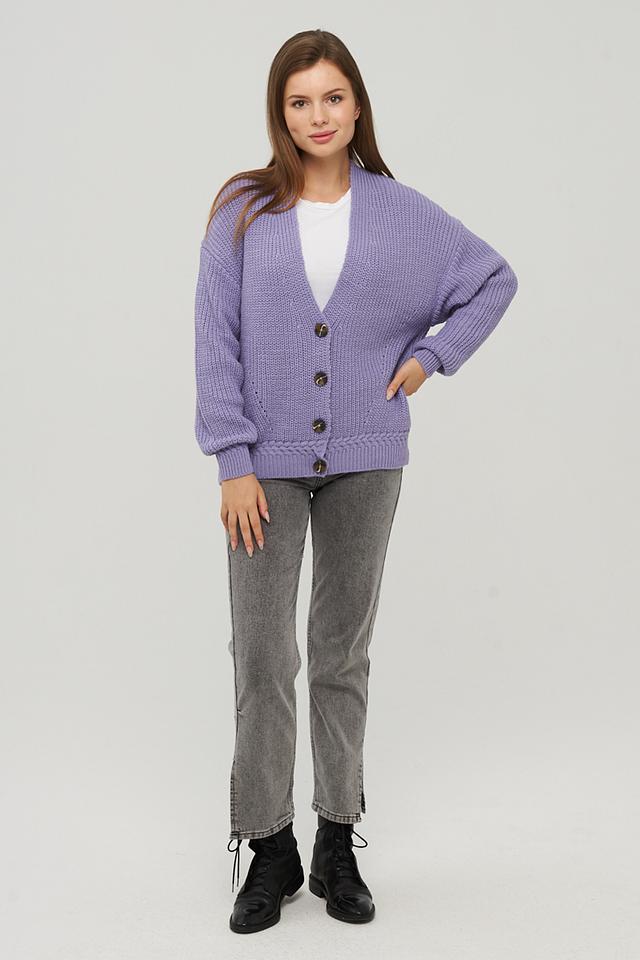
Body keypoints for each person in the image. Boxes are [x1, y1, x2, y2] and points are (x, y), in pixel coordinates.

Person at [193, 29, 518, 935]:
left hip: (369, 460)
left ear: (357, 104)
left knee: (341, 653)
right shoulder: (243, 210)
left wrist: (433, 357)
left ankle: (337, 840)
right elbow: (214, 335)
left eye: (332, 97)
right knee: (263, 655)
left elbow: (492, 279)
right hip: (263, 469)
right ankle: (269, 845)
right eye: (300, 101)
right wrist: (232, 458)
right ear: (280, 113)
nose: (318, 115)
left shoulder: (401, 211)